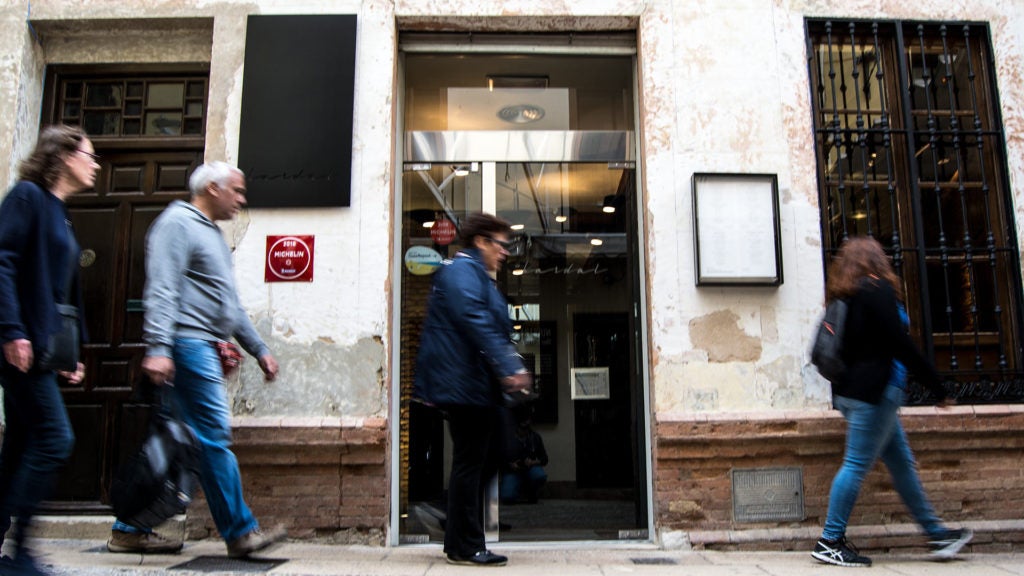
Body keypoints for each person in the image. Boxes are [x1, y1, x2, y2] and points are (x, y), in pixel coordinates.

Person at [106, 161, 286, 558]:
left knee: (177, 443)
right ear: (211, 188)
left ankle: (129, 527)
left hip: (200, 345)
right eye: (236, 191)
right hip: (187, 345)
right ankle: (240, 532)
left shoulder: (213, 235)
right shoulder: (178, 224)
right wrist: (157, 347)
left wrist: (259, 348)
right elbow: (162, 288)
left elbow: (229, 304)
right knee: (214, 436)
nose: (241, 199)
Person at [811, 236, 973, 568]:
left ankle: (936, 533)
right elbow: (900, 343)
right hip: (875, 396)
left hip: (851, 395)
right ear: (876, 260)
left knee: (901, 465)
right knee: (856, 464)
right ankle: (830, 540)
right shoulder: (876, 291)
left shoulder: (847, 296)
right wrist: (937, 387)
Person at [0, 125, 95, 575]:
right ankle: (21, 552)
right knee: (55, 439)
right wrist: (11, 331)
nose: (95, 163)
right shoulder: (27, 198)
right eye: (89, 155)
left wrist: (72, 352)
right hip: (21, 347)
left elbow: (62, 292)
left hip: (42, 347)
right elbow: (2, 262)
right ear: (62, 157)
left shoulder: (61, 212)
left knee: (19, 447)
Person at [414, 212, 532, 567]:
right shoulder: (462, 272)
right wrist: (509, 367)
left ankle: (456, 535)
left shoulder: (475, 275)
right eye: (501, 244)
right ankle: (465, 542)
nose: (505, 252)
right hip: (464, 385)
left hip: (473, 385)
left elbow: (489, 325)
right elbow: (475, 321)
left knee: (488, 457)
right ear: (481, 241)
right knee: (473, 462)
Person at [500, 406, 548, 504]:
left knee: (539, 476)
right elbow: (499, 459)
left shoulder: (535, 437)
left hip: (530, 469)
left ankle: (531, 491)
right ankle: (518, 490)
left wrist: (534, 462)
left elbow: (545, 459)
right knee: (507, 498)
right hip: (512, 471)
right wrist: (510, 465)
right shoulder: (507, 439)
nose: (524, 432)